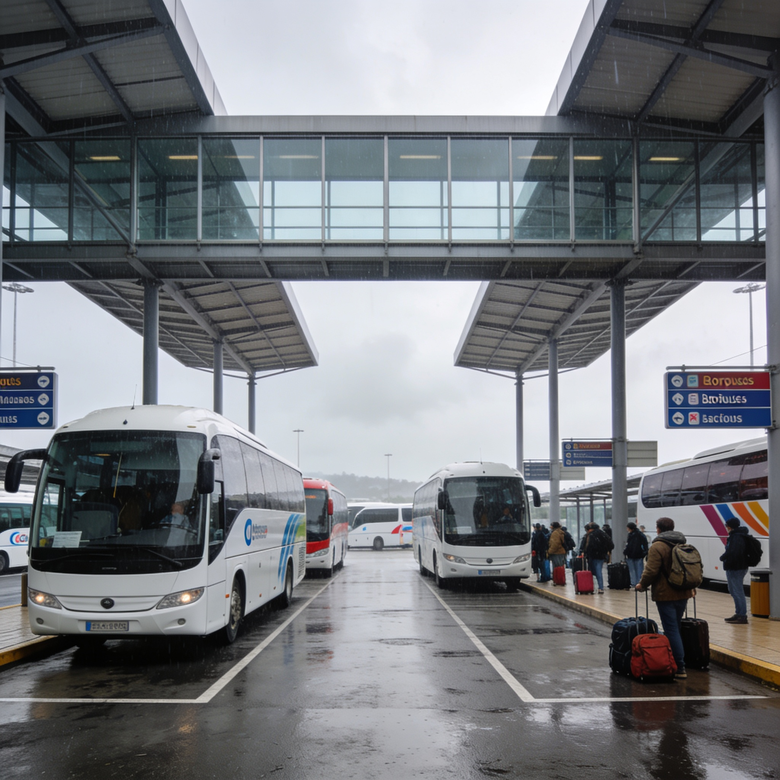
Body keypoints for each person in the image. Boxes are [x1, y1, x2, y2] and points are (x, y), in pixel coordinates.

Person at [635, 516, 695, 680]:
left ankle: (680, 666)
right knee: (675, 626)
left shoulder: (658, 546)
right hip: (683, 592)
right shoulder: (683, 543)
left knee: (671, 629)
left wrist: (642, 584)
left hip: (665, 593)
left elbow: (651, 570)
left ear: (658, 529)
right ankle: (680, 661)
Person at [720, 518, 750, 624]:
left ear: (730, 526)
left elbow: (733, 551)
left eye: (727, 526)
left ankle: (742, 615)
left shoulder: (736, 537)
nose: (726, 528)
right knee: (734, 590)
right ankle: (739, 613)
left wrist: (723, 557)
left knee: (737, 591)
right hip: (737, 566)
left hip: (735, 567)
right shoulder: (738, 535)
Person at [581, 522, 613, 594]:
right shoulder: (603, 534)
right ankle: (600, 588)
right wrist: (605, 551)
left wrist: (585, 553)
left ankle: (590, 587)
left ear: (591, 529)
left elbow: (588, 546)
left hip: (592, 556)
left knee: (592, 572)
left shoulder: (590, 535)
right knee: (599, 571)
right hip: (601, 556)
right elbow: (611, 545)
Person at [624, 521, 649, 587]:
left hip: (631, 555)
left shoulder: (630, 535)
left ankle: (633, 583)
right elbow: (645, 545)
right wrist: (644, 552)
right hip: (639, 555)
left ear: (630, 528)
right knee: (639, 570)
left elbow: (628, 545)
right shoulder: (641, 535)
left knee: (632, 570)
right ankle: (639, 583)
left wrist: (626, 552)